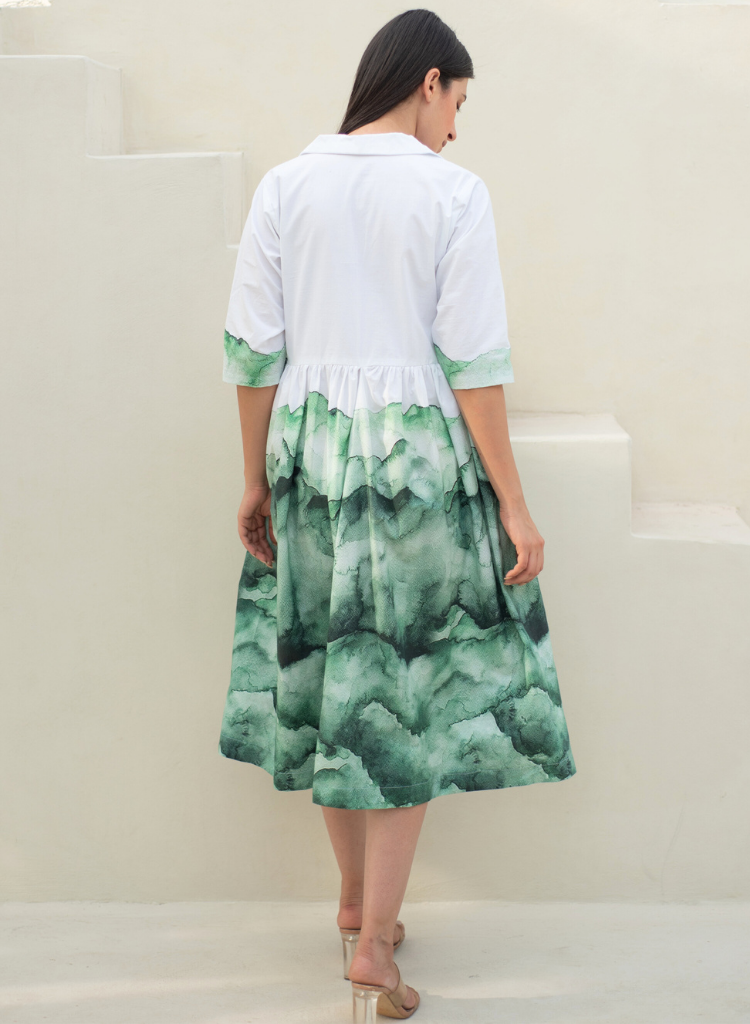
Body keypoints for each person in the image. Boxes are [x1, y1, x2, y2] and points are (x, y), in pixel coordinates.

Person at [217, 9, 577, 1020]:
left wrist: (253, 480)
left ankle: (351, 904)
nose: (455, 126)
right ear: (428, 81)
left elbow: (252, 353)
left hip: (306, 457)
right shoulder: (452, 193)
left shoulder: (284, 185)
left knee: (335, 678)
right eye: (457, 101)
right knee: (405, 693)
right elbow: (474, 361)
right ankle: (374, 944)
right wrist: (515, 505)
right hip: (414, 463)